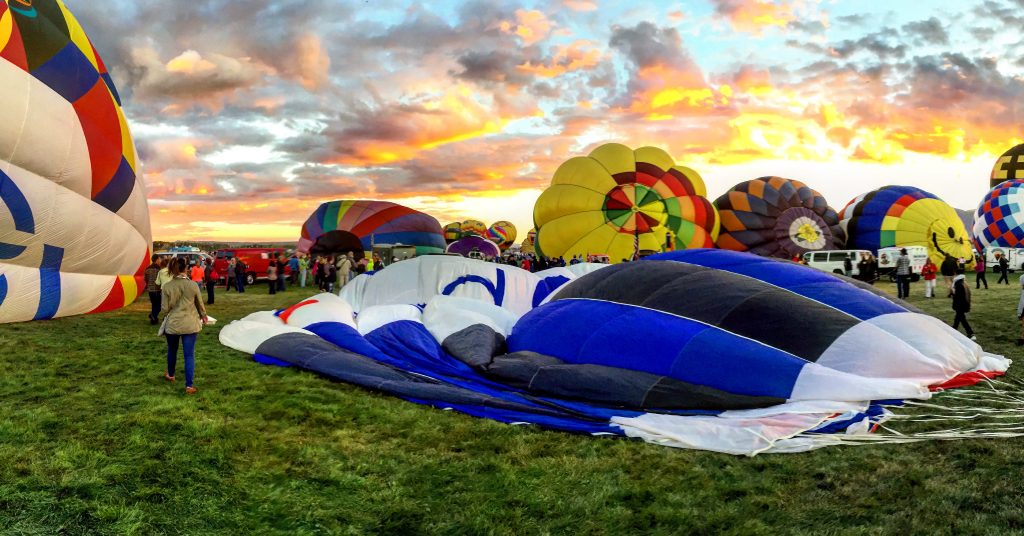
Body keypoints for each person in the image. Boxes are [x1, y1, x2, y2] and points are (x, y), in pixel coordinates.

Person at [160, 257, 207, 394]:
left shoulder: (167, 287)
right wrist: (203, 315)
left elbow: (164, 308)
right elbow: (200, 304)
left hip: (173, 324)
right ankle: (189, 385)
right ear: (186, 268)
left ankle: (171, 374)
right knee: (189, 355)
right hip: (190, 323)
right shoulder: (193, 285)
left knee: (172, 350)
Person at [951, 268, 975, 340]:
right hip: (963, 304)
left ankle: (971, 333)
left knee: (962, 319)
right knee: (958, 319)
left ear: (956, 273)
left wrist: (953, 294)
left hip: (960, 305)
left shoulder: (958, 283)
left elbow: (958, 296)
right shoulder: (963, 282)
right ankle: (953, 330)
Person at [144, 254, 163, 324]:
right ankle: (153, 315)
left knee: (154, 304)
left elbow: (145, 279)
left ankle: (153, 320)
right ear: (157, 260)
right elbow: (161, 280)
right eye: (159, 259)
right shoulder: (159, 269)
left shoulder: (147, 268)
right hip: (157, 290)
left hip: (150, 290)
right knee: (159, 305)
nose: (160, 260)